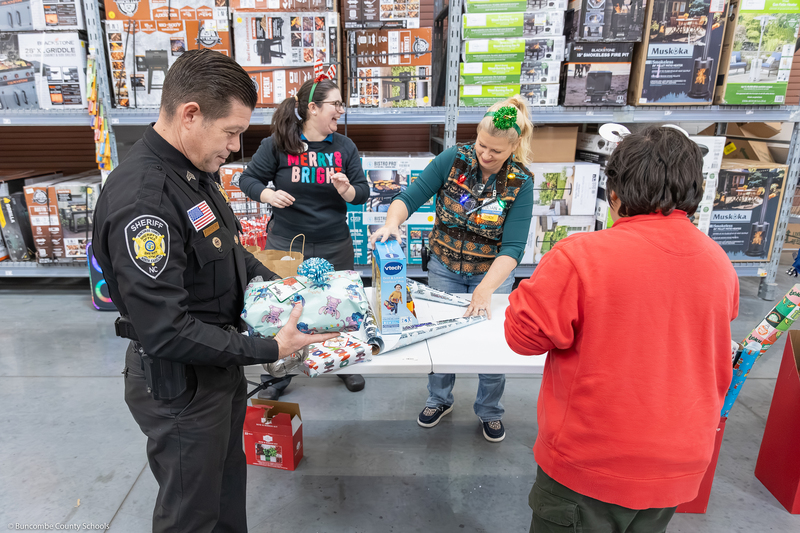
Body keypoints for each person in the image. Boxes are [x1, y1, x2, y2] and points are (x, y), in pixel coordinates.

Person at [92, 49, 336, 533]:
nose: (235, 146)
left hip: (218, 365)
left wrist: (276, 281)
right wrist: (271, 347)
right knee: (191, 514)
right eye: (231, 132)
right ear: (190, 115)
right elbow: (165, 331)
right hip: (181, 384)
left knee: (225, 495)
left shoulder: (192, 174)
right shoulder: (148, 201)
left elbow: (225, 249)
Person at [504, 126, 738, 532]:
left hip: (592, 462)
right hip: (678, 463)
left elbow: (523, 338)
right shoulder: (719, 263)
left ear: (614, 194)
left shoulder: (581, 256)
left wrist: (526, 291)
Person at [370, 96, 535, 443]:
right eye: (482, 146)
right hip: (443, 266)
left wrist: (486, 289)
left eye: (497, 151)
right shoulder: (453, 159)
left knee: (490, 348)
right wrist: (392, 223)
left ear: (515, 146)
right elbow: (409, 197)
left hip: (490, 274)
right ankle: (439, 398)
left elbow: (514, 248)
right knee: (440, 338)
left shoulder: (521, 182)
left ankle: (490, 410)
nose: (486, 156)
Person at [239, 73, 370, 399]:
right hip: (286, 244)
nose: (341, 110)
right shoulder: (278, 144)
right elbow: (248, 179)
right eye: (335, 104)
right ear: (312, 107)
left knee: (338, 307)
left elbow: (363, 193)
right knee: (284, 309)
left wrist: (348, 190)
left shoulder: (344, 147)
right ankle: (280, 373)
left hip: (334, 242)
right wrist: (268, 196)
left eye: (342, 104)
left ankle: (342, 364)